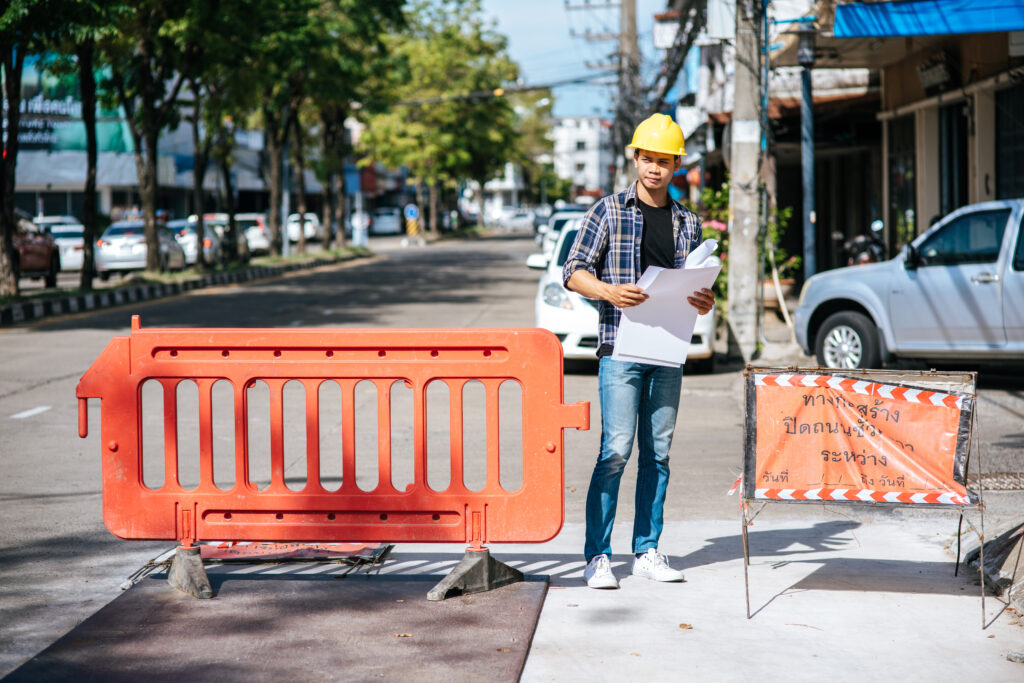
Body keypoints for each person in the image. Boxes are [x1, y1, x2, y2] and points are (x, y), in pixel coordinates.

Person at [561, 113, 715, 589]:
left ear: (676, 165)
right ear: (635, 158)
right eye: (647, 159)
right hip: (621, 350)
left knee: (658, 456)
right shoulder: (608, 211)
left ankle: (647, 551)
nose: (654, 168)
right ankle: (597, 556)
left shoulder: (687, 221)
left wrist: (705, 301)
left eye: (663, 161)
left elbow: (695, 288)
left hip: (668, 351)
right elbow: (572, 271)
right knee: (615, 451)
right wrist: (609, 292)